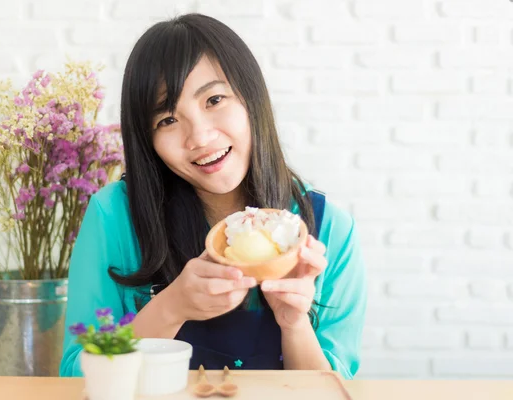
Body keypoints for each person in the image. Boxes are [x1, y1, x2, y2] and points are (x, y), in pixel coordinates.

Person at [59, 13, 367, 379]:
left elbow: (335, 389)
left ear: (252, 98)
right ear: (148, 140)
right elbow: (76, 376)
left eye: (214, 99)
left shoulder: (329, 229)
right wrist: (171, 307)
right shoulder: (114, 217)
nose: (200, 137)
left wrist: (294, 324)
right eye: (168, 121)